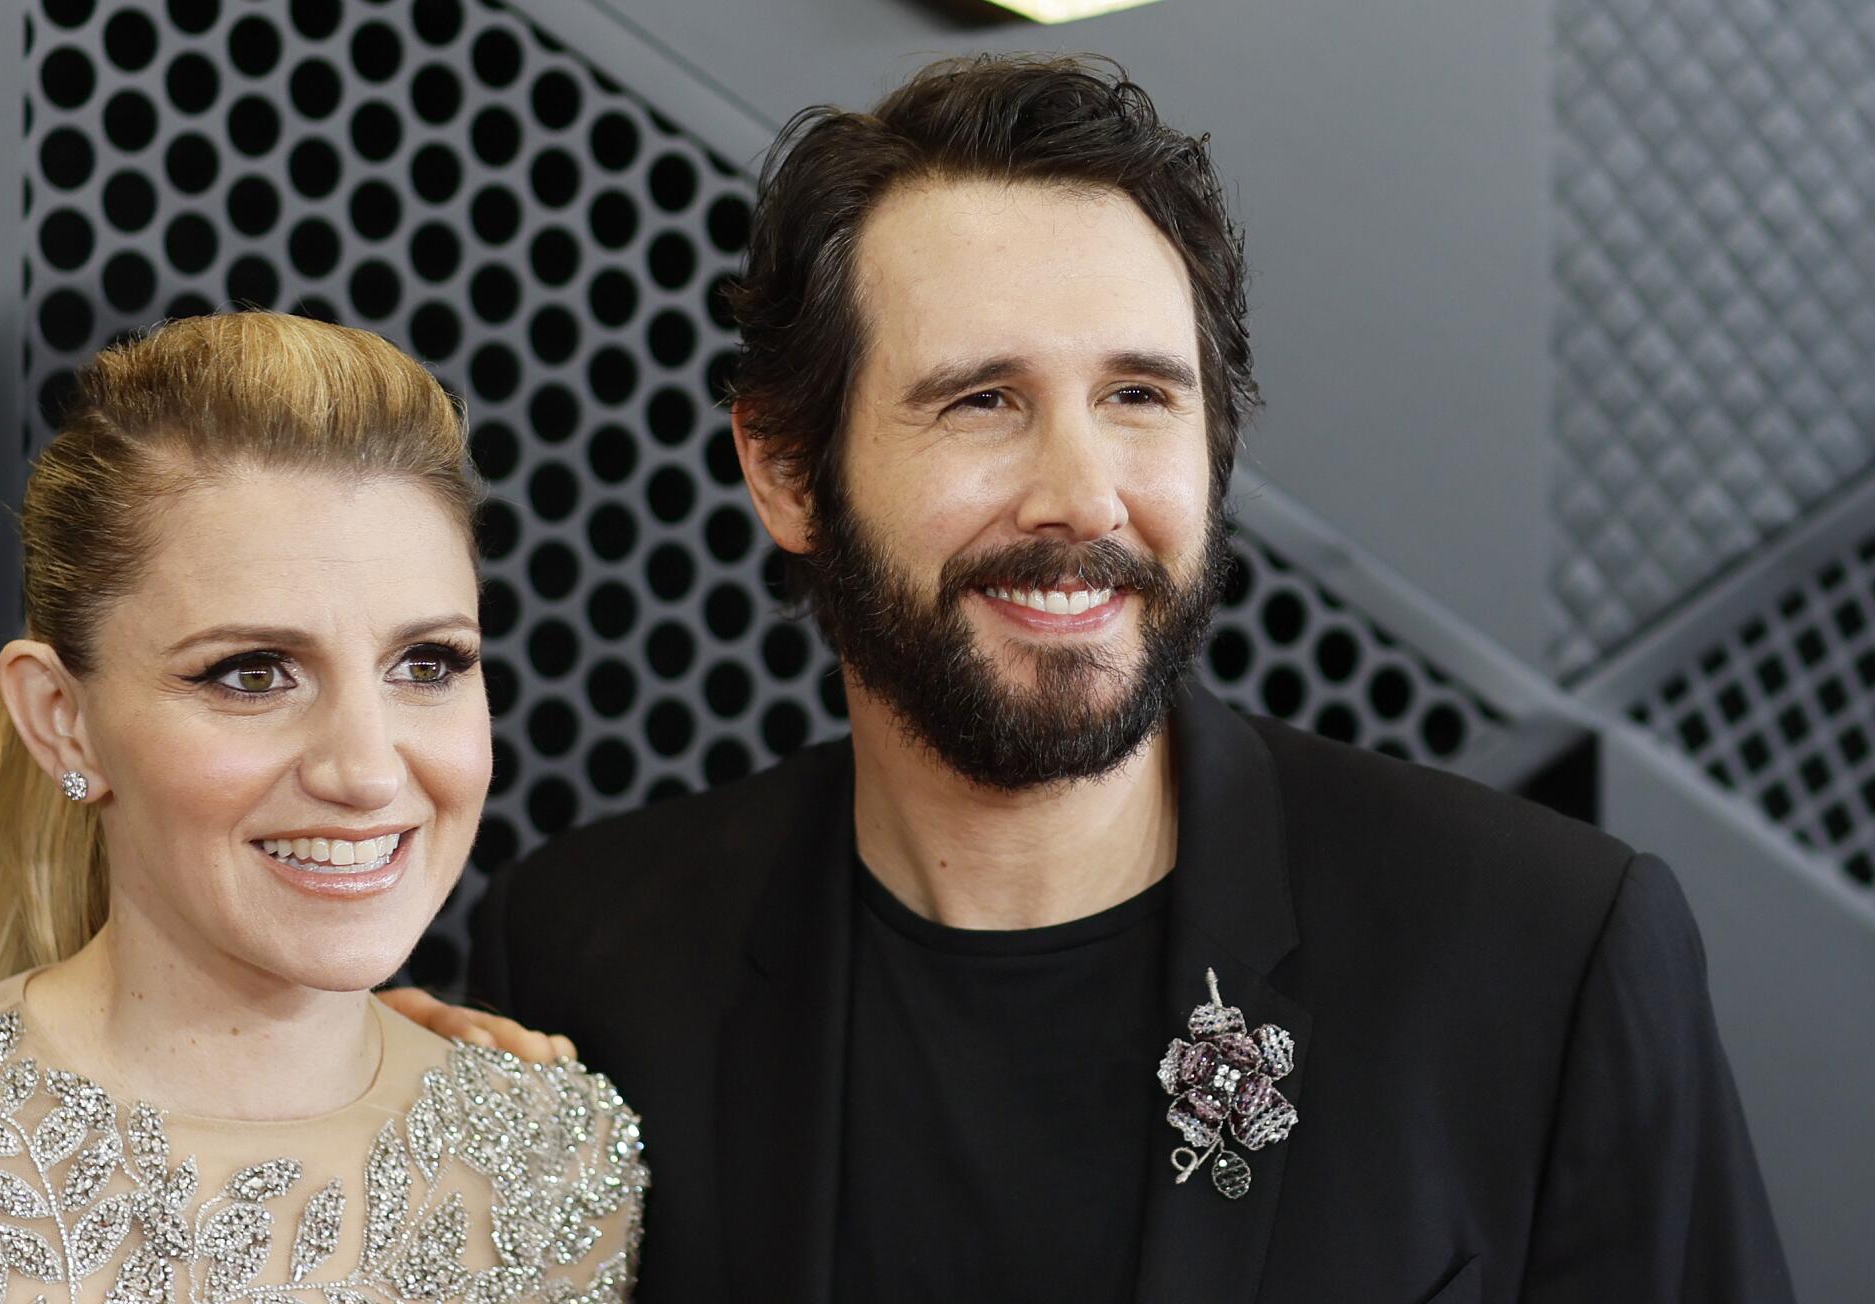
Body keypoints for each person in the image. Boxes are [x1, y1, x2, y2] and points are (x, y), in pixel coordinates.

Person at [392, 54, 1793, 1302]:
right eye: (982, 401)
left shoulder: (1543, 952)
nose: (1082, 497)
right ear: (783, 468)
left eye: (1138, 397)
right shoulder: (590, 959)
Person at [0, 314, 646, 1304]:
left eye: (428, 663)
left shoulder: (566, 1160)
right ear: (63, 719)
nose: (365, 769)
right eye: (251, 673)